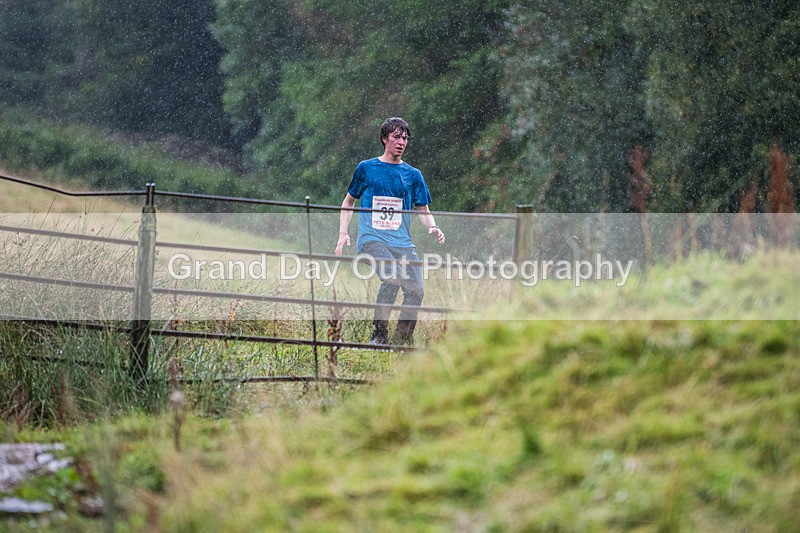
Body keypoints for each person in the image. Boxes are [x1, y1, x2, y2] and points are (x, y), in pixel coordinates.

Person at [335, 117, 445, 346]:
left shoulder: (413, 175)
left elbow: (423, 209)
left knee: (416, 290)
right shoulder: (366, 168)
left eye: (405, 138)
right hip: (372, 238)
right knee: (393, 277)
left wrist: (433, 227)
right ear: (385, 139)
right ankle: (379, 335)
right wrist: (343, 233)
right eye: (396, 137)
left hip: (402, 242)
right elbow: (348, 202)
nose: (401, 142)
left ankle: (400, 341)